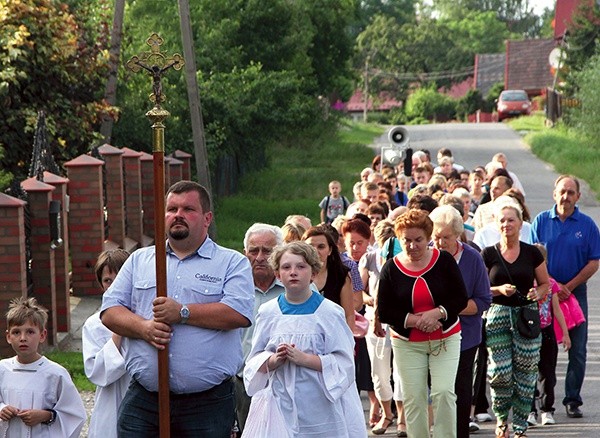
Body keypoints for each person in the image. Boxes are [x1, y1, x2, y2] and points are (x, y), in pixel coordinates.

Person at [101, 180, 255, 437]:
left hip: (207, 405)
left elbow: (237, 313)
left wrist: (183, 313)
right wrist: (144, 328)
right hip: (145, 400)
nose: (178, 216)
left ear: (207, 218)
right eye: (172, 209)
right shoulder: (140, 260)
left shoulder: (231, 263)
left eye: (188, 209)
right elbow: (110, 311)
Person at [243, 242, 366, 437]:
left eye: (301, 266)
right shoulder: (268, 312)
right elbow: (255, 356)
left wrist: (305, 359)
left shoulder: (330, 313)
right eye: (286, 267)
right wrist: (273, 360)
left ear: (314, 273)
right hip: (279, 402)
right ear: (277, 274)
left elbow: (345, 362)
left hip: (321, 405)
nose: (293, 272)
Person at [378, 209, 468, 438]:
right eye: (406, 240)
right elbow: (385, 310)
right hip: (407, 343)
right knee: (414, 397)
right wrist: (416, 320)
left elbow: (460, 298)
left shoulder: (444, 260)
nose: (412, 246)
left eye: (418, 240)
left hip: (445, 339)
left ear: (429, 238)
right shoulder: (391, 267)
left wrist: (438, 314)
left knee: (444, 392)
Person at [530, 175, 600, 418]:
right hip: (544, 289)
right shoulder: (540, 221)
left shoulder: (587, 225)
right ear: (554, 193)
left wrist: (567, 286)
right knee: (539, 347)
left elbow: (594, 262)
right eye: (562, 191)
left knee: (577, 348)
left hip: (574, 291)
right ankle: (539, 399)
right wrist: (552, 285)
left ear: (578, 197)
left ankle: (572, 399)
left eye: (571, 192)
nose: (566, 196)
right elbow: (532, 258)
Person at [481, 202, 550, 438]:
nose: (506, 224)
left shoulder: (531, 252)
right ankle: (502, 420)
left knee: (526, 372)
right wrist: (499, 289)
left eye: (511, 220)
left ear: (521, 224)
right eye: (502, 220)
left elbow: (545, 284)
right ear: (496, 224)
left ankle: (520, 426)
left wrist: (537, 293)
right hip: (498, 316)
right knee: (500, 371)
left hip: (526, 317)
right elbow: (480, 289)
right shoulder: (488, 253)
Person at [429, 205, 492, 437]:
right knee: (438, 389)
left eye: (446, 237)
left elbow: (484, 300)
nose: (440, 242)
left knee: (460, 386)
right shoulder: (427, 255)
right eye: (436, 236)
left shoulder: (473, 258)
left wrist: (447, 310)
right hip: (431, 334)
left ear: (458, 235)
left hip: (466, 335)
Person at [0, 297, 86, 438]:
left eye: (30, 332)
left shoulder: (55, 374)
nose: (23, 338)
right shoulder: (2, 369)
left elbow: (74, 415)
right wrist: (2, 409)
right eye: (16, 332)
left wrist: (46, 416)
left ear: (42, 335)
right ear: (8, 337)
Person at [236, 223, 284, 434]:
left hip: (284, 380)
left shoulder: (296, 287)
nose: (260, 257)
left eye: (267, 251)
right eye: (254, 250)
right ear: (245, 253)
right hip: (242, 382)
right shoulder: (233, 289)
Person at [360, 220, 407, 436]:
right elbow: (359, 291)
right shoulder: (369, 258)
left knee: (402, 370)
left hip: (399, 319)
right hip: (374, 318)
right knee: (379, 371)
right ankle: (387, 414)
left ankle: (402, 419)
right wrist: (373, 301)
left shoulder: (403, 258)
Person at [82, 248, 131, 438]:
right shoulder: (94, 325)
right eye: (107, 281)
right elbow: (98, 372)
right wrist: (120, 329)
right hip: (111, 405)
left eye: (118, 279)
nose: (112, 286)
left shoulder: (146, 317)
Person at [527, 244, 571, 427]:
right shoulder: (525, 283)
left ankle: (547, 409)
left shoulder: (551, 284)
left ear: (544, 263)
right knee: (528, 373)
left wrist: (565, 333)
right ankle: (529, 410)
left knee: (548, 373)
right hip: (528, 331)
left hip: (547, 332)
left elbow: (556, 310)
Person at [302, 225, 356, 330]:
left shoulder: (341, 275)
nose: (315, 251)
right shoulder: (295, 274)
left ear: (330, 250)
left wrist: (347, 342)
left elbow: (349, 315)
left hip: (334, 335)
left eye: (321, 247)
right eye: (311, 246)